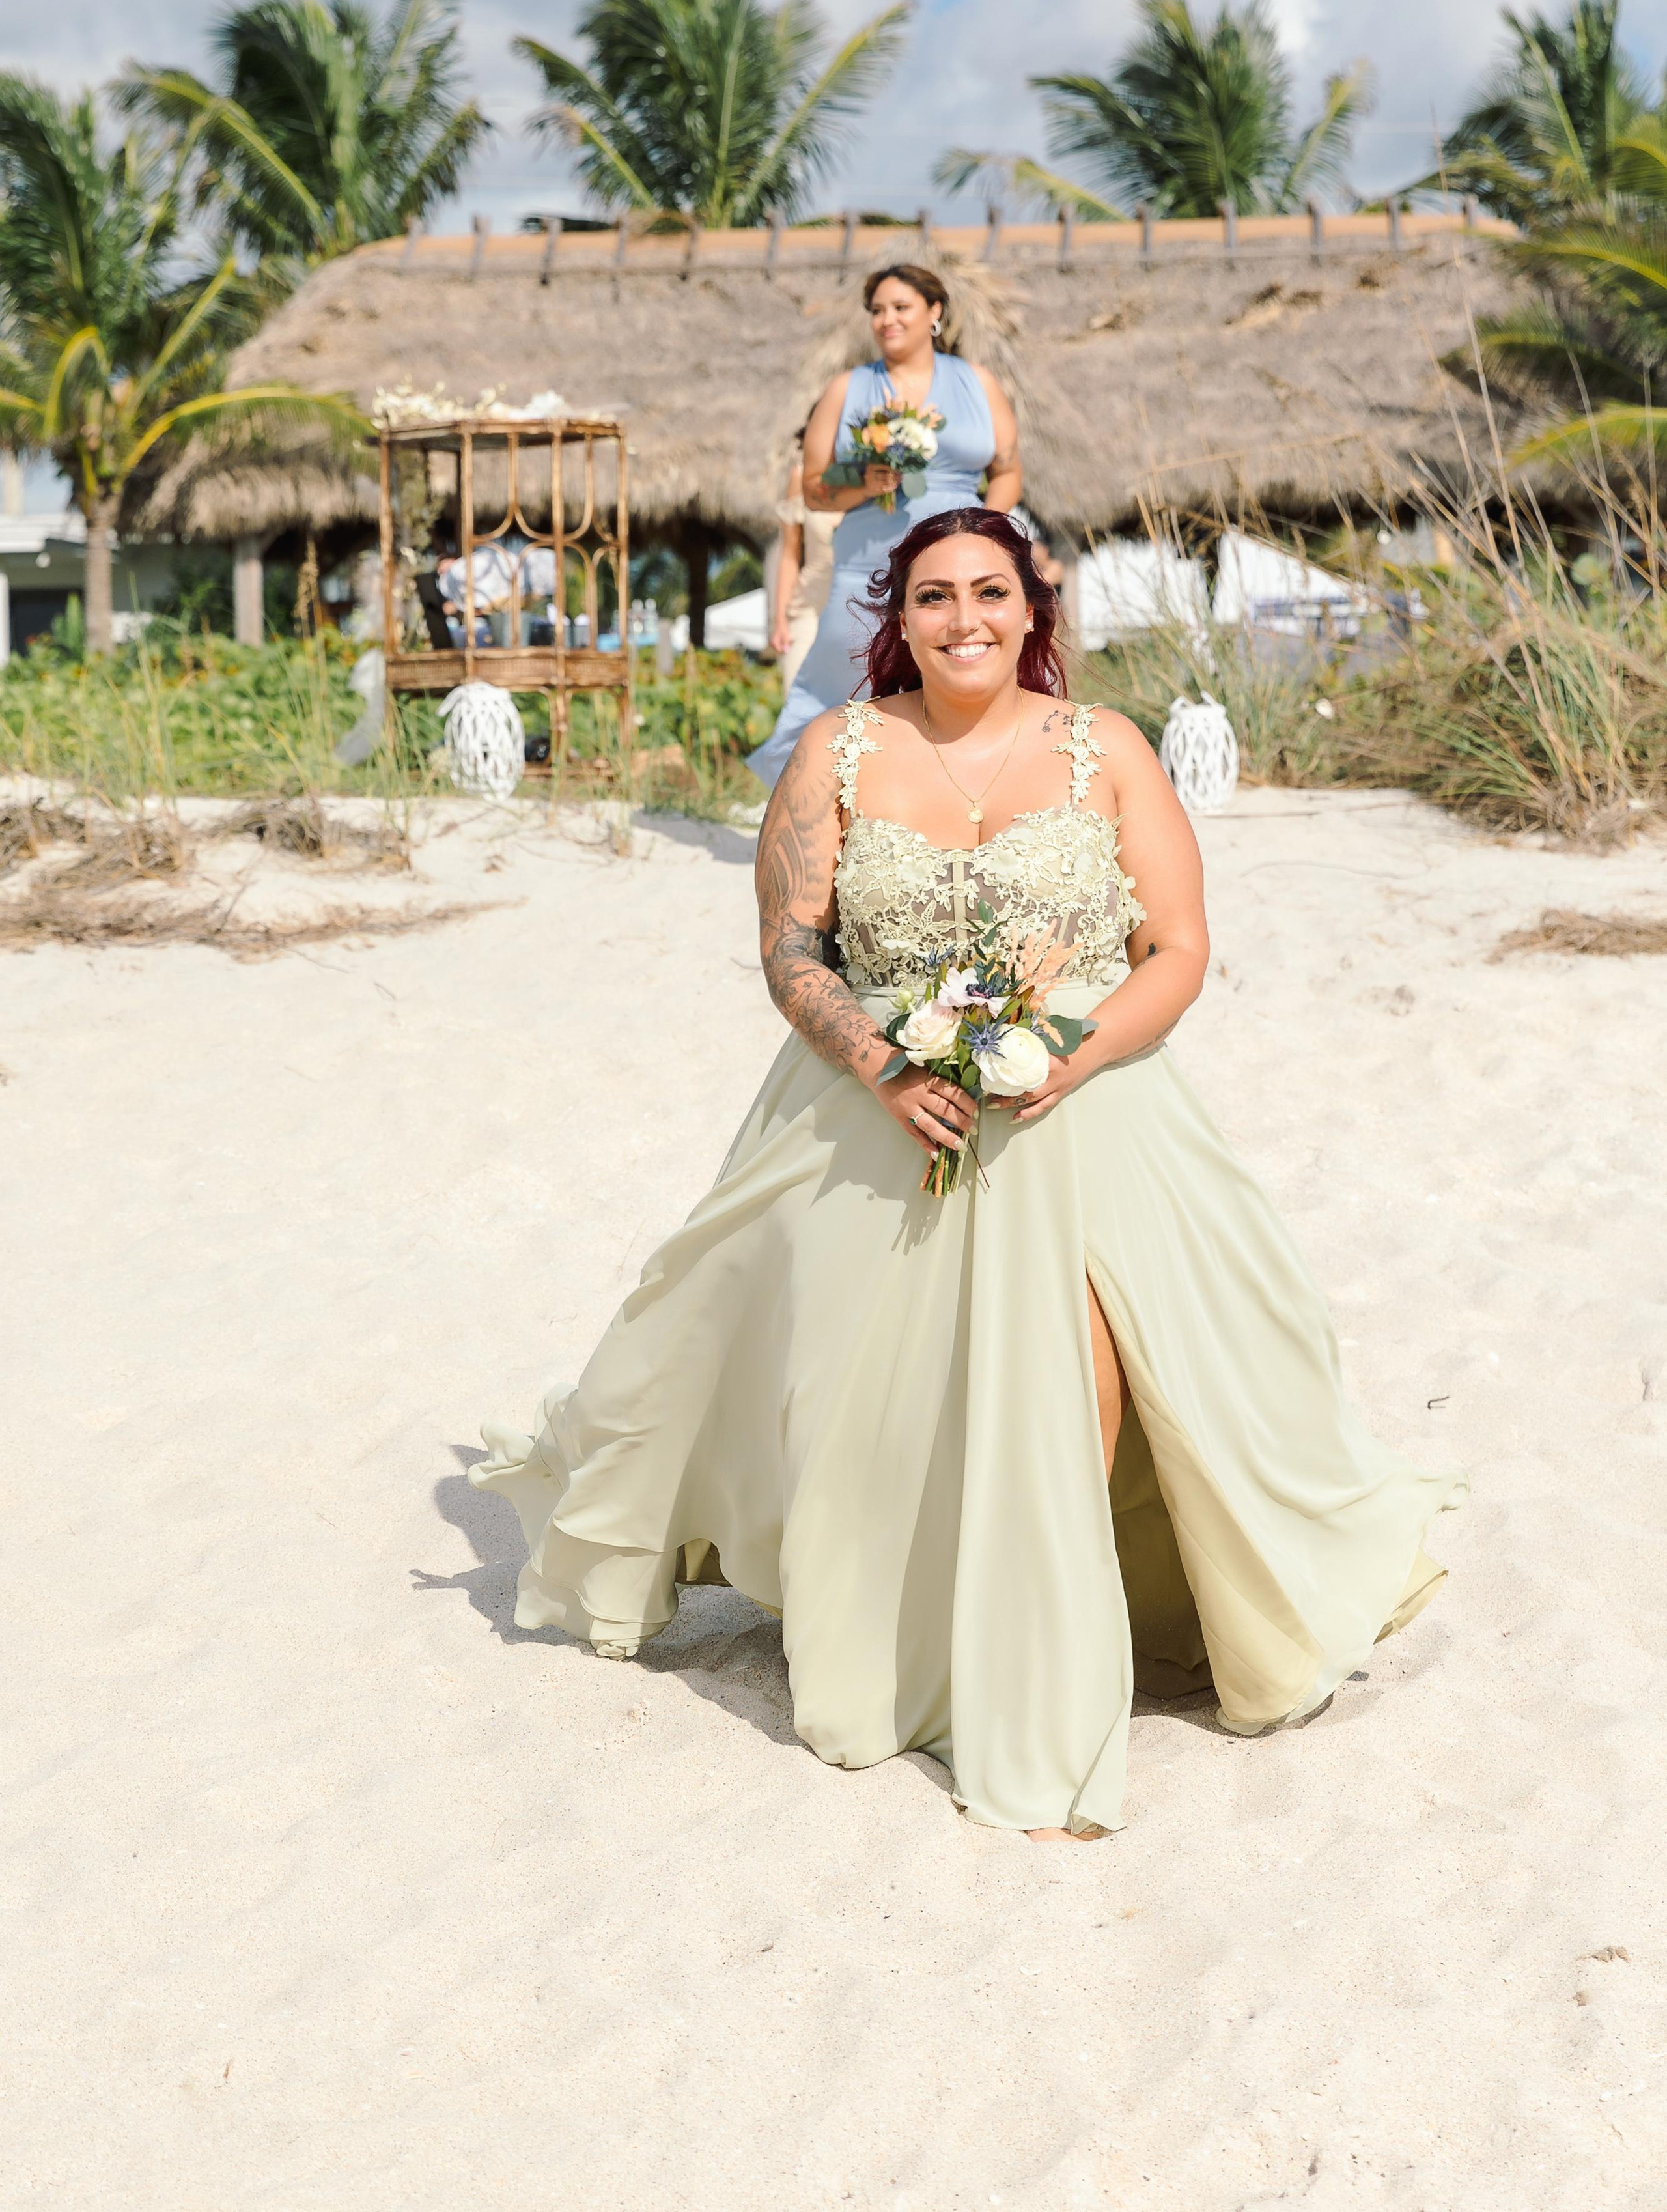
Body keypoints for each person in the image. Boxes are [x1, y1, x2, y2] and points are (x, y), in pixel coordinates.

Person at [471, 506, 1464, 1840]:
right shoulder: (835, 751)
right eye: (933, 597)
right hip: (878, 1098)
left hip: (1085, 1100)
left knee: (1095, 1364)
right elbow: (790, 949)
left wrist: (1071, 1046)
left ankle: (1046, 1661)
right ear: (898, 615)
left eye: (988, 594)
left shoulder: (1104, 749)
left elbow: (1174, 948)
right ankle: (910, 1626)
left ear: (1031, 609)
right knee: (850, 1393)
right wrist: (883, 1064)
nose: (963, 621)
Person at [747, 262, 1020, 789]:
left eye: (900, 308)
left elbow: (1007, 471)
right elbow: (813, 489)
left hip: (958, 557)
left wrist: (988, 534)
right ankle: (804, 791)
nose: (886, 320)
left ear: (934, 313)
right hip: (868, 559)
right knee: (840, 680)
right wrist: (866, 485)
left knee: (957, 677)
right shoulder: (846, 388)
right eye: (877, 311)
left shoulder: (977, 383)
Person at [768, 429, 839, 693]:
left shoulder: (873, 480)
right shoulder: (800, 477)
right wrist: (780, 621)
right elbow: (789, 554)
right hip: (808, 606)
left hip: (858, 608)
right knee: (796, 697)